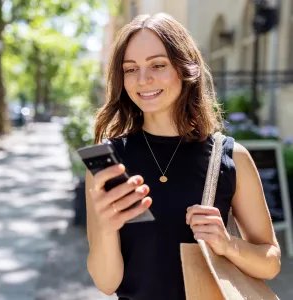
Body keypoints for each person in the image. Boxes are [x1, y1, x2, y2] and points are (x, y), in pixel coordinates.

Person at [85, 13, 281, 300]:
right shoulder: (110, 165)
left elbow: (271, 261)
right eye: (130, 69)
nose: (143, 79)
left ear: (185, 68)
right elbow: (107, 283)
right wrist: (105, 228)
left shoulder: (230, 157)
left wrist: (227, 244)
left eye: (158, 65)